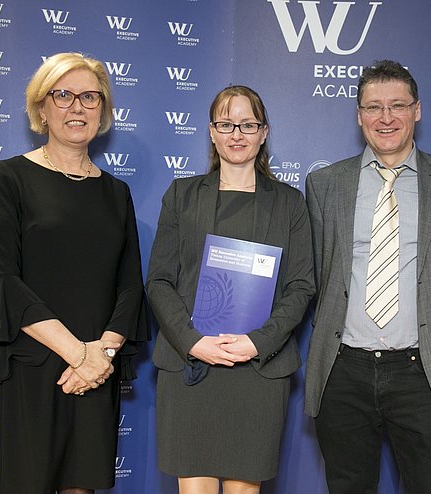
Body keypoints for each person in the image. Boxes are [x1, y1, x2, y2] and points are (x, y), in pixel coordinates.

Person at [0, 52, 150, 494]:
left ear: (103, 111)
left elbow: (130, 285)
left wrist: (101, 355)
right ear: (41, 108)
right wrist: (78, 354)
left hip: (96, 367)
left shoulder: (116, 192)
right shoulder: (8, 177)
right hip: (35, 361)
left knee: (82, 486)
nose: (77, 107)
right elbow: (4, 280)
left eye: (90, 97)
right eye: (64, 95)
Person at [305, 60, 431, 493]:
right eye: (373, 107)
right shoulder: (325, 183)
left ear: (417, 110)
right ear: (359, 114)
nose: (386, 118)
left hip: (421, 369)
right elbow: (316, 271)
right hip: (343, 368)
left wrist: (429, 313)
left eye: (398, 105)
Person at [147, 85, 315, 494]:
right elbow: (159, 281)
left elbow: (301, 286)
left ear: (263, 132)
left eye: (247, 124)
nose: (236, 133)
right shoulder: (181, 195)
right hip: (193, 366)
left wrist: (257, 343)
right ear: (211, 131)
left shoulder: (290, 203)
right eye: (226, 123)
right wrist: (192, 342)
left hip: (256, 370)